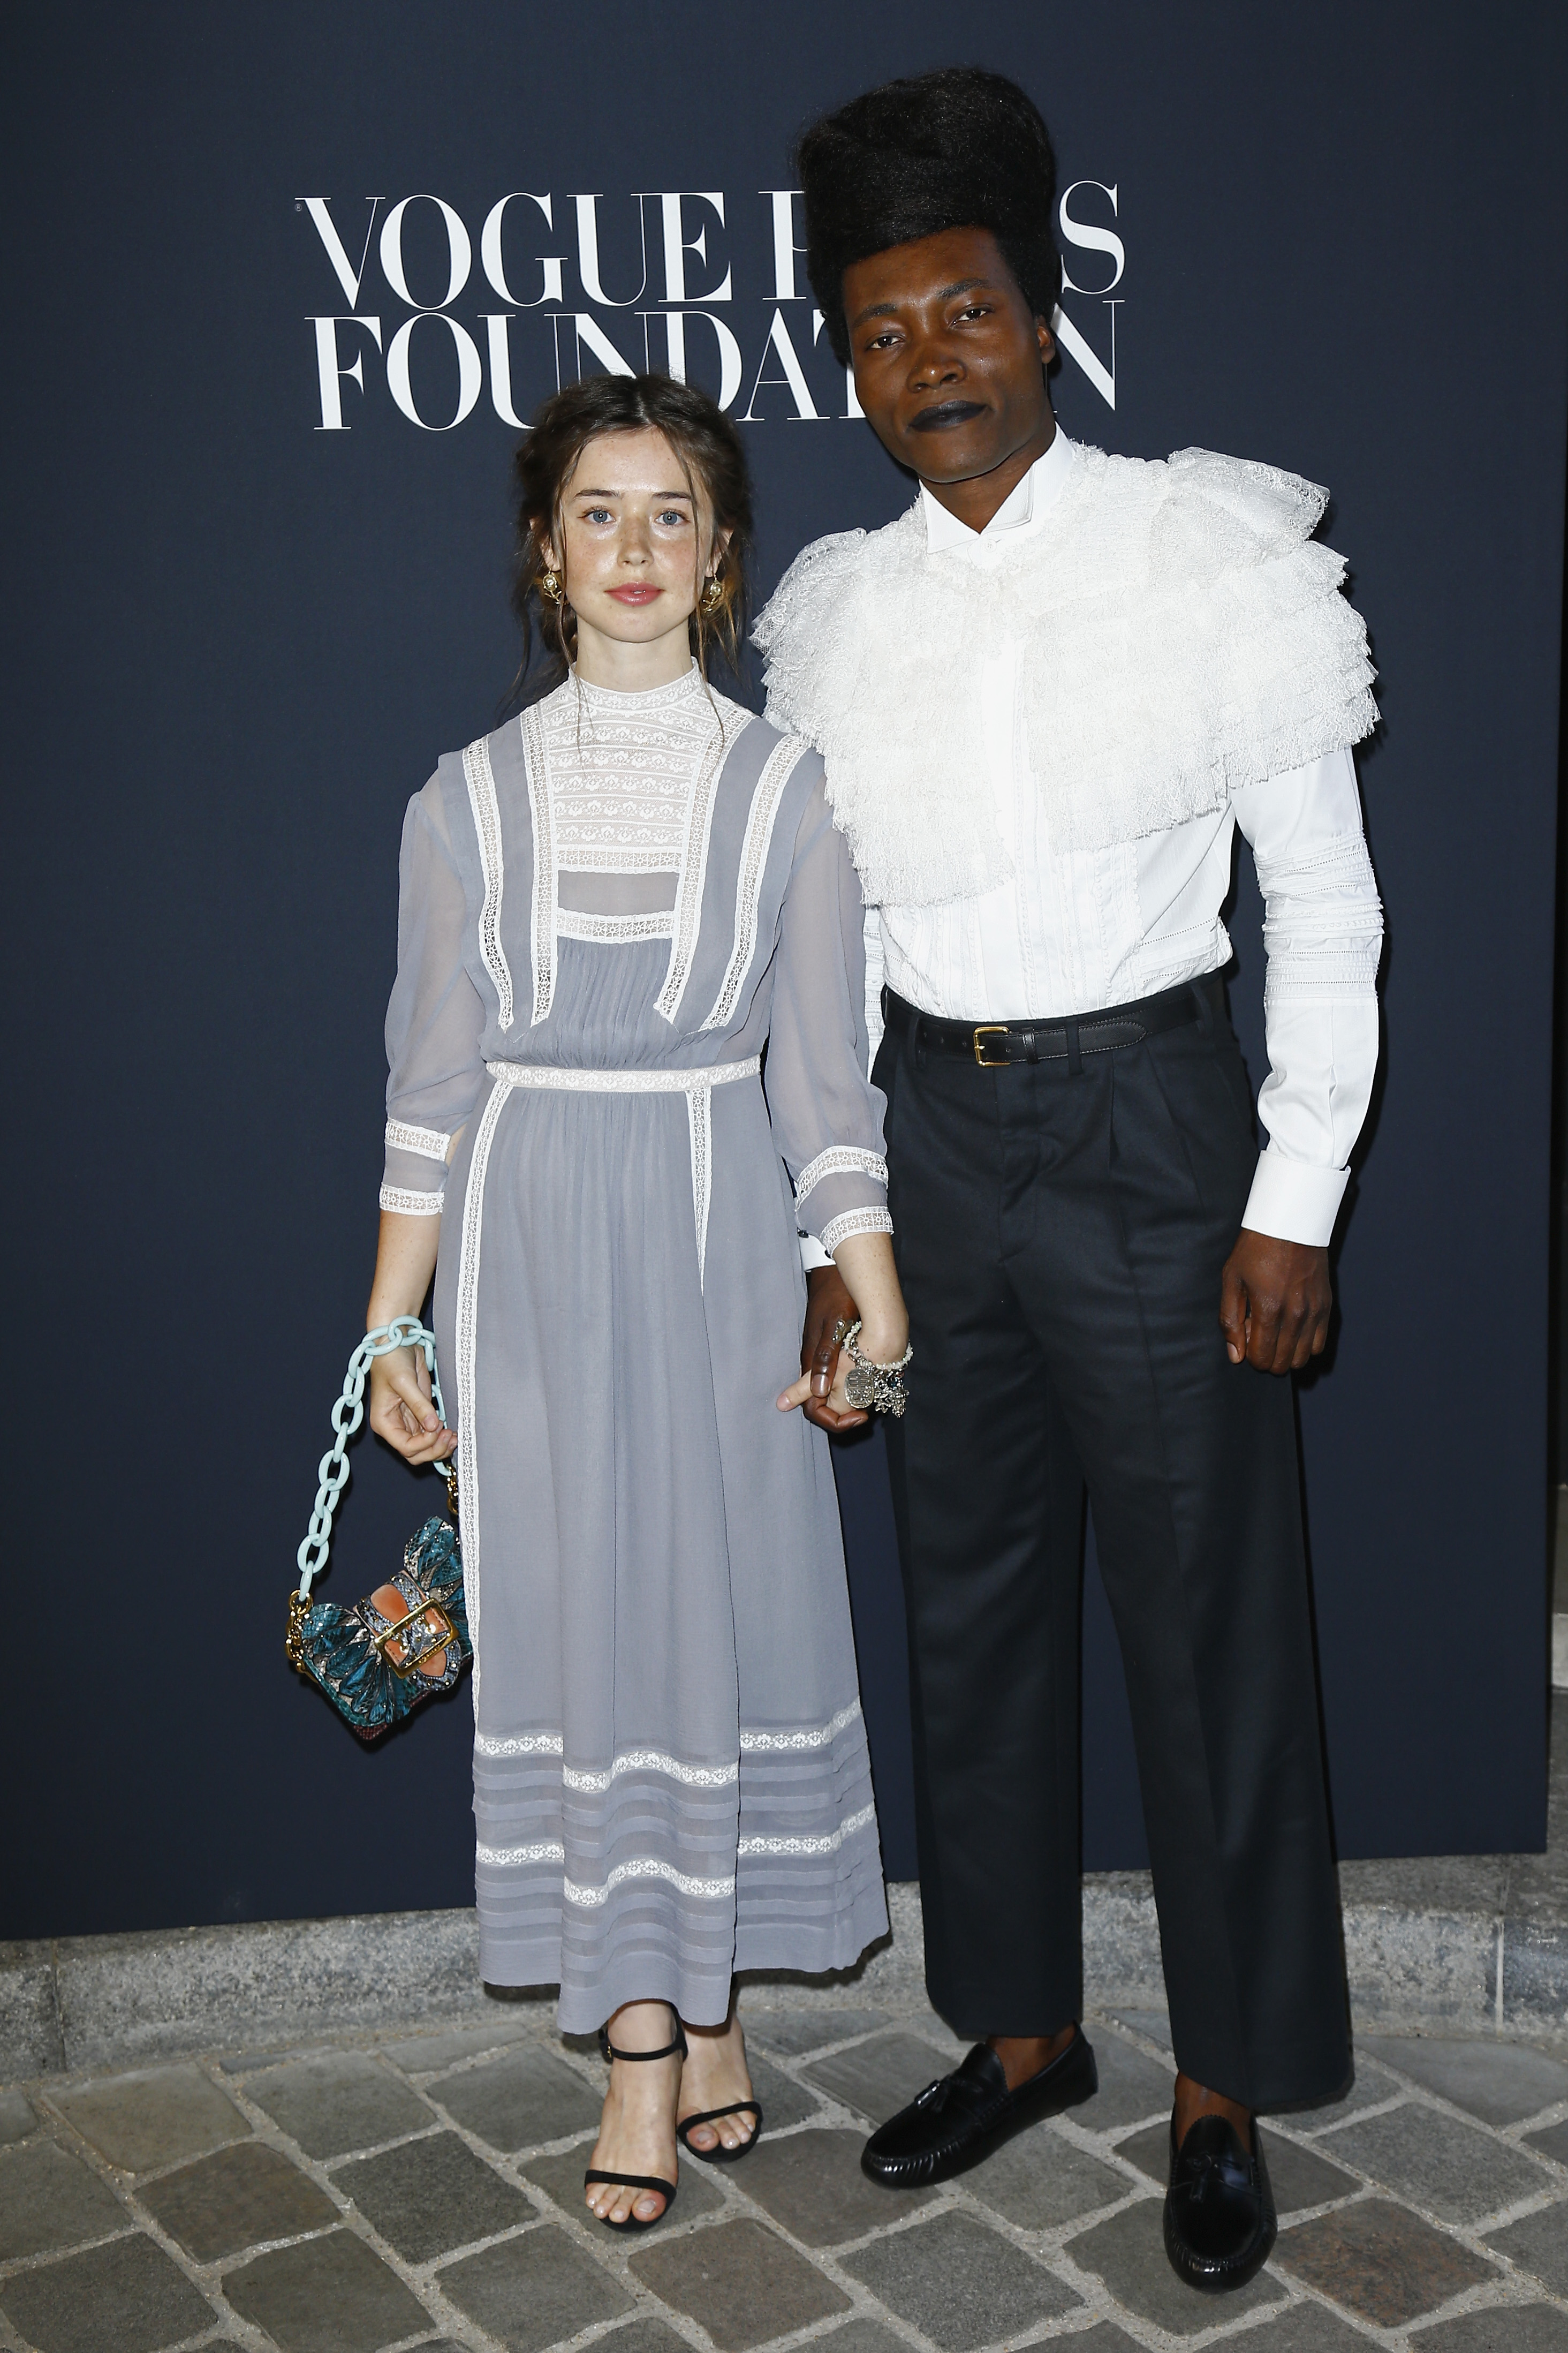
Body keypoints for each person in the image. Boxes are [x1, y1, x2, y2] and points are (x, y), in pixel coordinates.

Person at [759, 67, 1383, 2292]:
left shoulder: (1205, 555)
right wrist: (838, 1226)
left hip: (1155, 1133)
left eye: (963, 311)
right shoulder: (832, 614)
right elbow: (821, 955)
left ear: (1041, 318)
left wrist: (1294, 1189)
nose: (926, 359)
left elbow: (1325, 895)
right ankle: (1021, 2031)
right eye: (880, 332)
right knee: (969, 1605)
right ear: (851, 370)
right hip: (930, 1145)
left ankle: (1224, 2079)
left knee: (1210, 1627)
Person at [363, 372, 908, 2232]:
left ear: (720, 553)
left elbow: (823, 1086)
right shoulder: (463, 799)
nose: (633, 548)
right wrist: (390, 1328)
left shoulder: (786, 790)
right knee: (586, 1645)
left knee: (718, 1629)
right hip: (525, 1261)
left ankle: (702, 1996)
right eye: (597, 512)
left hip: (713, 1245)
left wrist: (872, 1304)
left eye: (671, 513)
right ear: (545, 548)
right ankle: (647, 2043)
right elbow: (428, 1092)